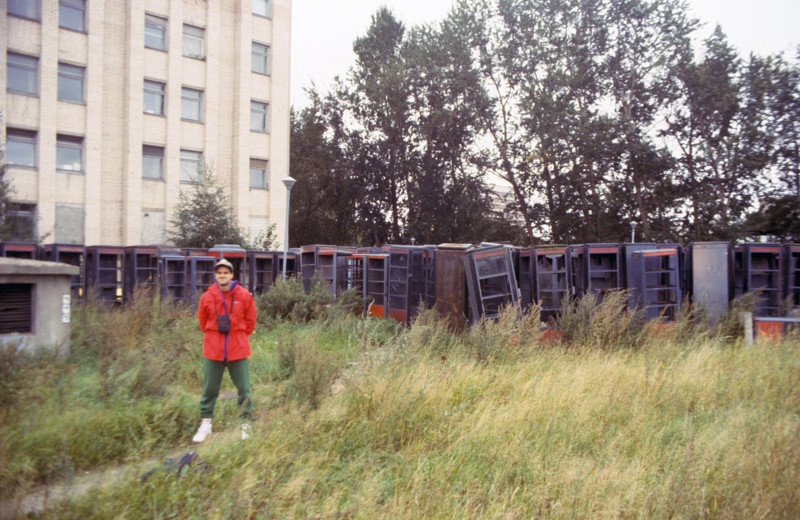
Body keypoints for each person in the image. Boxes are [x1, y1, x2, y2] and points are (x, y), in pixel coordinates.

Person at [192, 258, 257, 443]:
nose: (222, 275)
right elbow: (202, 323)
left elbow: (251, 322)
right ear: (216, 275)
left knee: (244, 389)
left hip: (238, 350)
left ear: (232, 275)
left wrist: (238, 337)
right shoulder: (207, 296)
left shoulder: (244, 296)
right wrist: (216, 338)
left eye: (226, 272)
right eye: (219, 273)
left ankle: (246, 423)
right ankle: (206, 424)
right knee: (210, 389)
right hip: (213, 351)